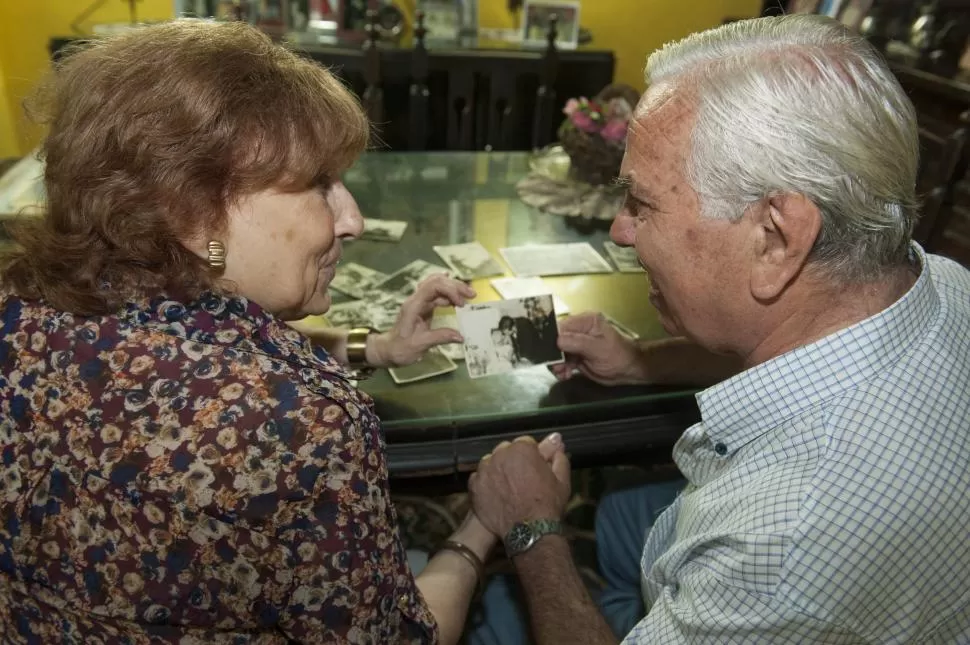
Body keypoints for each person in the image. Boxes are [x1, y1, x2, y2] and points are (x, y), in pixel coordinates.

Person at [0, 20, 560, 644]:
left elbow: (160, 361)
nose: (352, 218)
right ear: (193, 212)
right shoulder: (304, 424)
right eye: (320, 186)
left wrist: (373, 348)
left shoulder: (15, 312)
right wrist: (478, 530)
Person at [468, 14, 970, 645]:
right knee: (628, 512)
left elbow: (776, 558)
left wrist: (533, 531)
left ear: (776, 238)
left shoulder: (780, 552)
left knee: (492, 619)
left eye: (642, 203)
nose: (620, 230)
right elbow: (806, 355)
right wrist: (641, 361)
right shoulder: (942, 280)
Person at [512, 297, 560, 365]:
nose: (531, 310)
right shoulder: (528, 320)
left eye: (533, 306)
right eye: (528, 307)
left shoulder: (549, 317)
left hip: (545, 353)